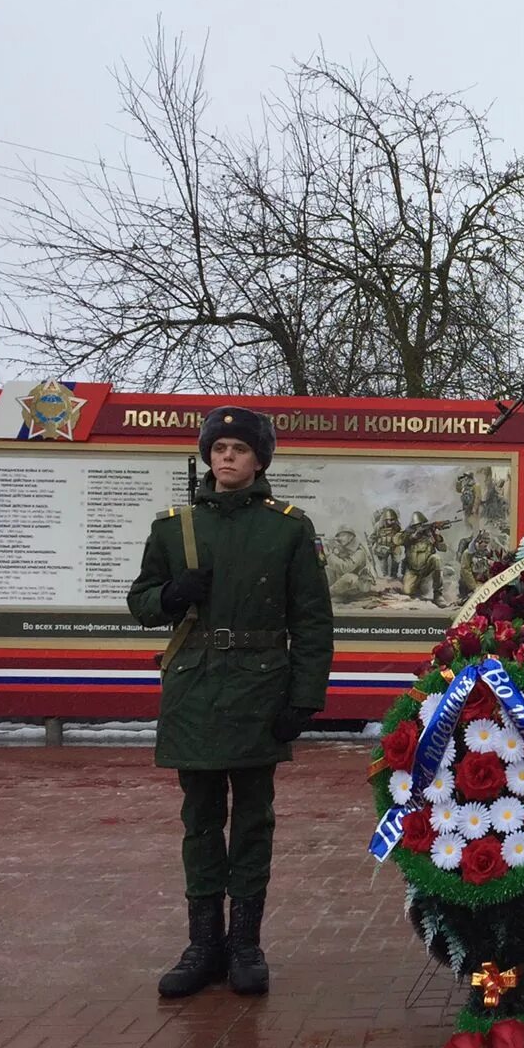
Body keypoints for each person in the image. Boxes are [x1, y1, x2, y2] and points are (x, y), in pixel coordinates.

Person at [128, 406, 334, 997]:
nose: (226, 457)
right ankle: (203, 946)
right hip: (193, 687)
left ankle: (245, 944)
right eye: (218, 448)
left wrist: (305, 696)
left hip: (259, 687)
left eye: (239, 449)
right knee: (198, 820)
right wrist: (170, 594)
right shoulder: (173, 526)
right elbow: (140, 601)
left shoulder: (289, 528)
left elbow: (313, 621)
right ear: (206, 456)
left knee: (251, 819)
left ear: (259, 459)